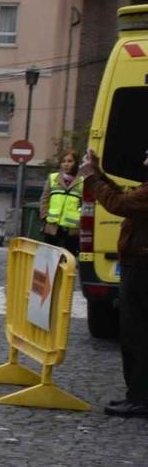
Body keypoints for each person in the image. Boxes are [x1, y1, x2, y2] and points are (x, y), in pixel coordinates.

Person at [78, 147, 148, 418]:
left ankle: (140, 399)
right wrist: (99, 174)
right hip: (138, 264)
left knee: (137, 334)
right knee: (135, 333)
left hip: (142, 268)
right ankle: (138, 396)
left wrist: (91, 179)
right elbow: (126, 197)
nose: (144, 154)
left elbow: (120, 205)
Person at [43, 152, 82, 253]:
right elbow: (44, 199)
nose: (66, 164)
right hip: (52, 226)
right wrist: (44, 216)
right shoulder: (53, 178)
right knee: (50, 259)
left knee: (69, 259)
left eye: (70, 161)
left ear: (76, 163)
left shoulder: (82, 181)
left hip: (72, 230)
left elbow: (85, 203)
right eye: (63, 161)